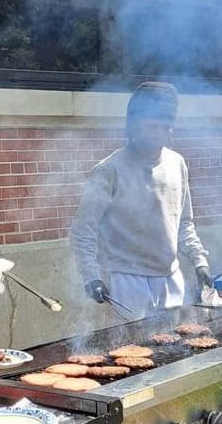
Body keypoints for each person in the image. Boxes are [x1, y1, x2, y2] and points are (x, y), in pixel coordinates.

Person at [70, 81, 211, 321]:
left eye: (164, 127)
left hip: (170, 279)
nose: (158, 134)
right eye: (151, 126)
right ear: (133, 127)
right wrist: (91, 276)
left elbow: (184, 223)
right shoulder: (108, 170)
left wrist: (199, 261)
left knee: (175, 347)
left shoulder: (177, 163)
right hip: (126, 282)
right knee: (131, 350)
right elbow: (83, 230)